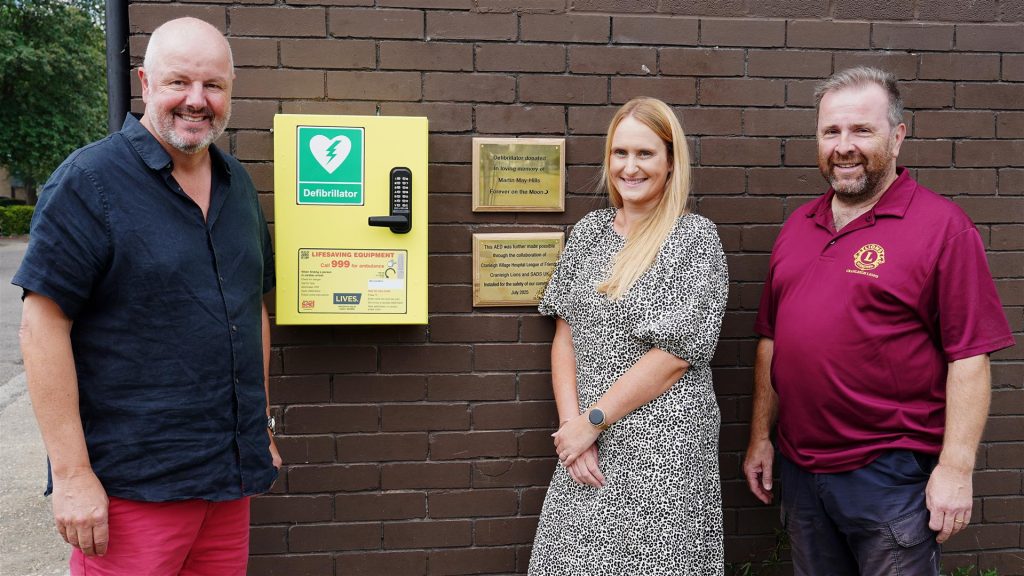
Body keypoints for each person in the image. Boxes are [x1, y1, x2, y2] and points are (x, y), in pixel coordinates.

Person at [14, 17, 280, 575]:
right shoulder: (89, 182)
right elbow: (42, 328)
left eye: (213, 85)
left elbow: (250, 307)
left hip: (227, 483)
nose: (196, 100)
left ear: (231, 90)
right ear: (145, 83)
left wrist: (261, 429)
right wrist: (71, 475)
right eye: (178, 82)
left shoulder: (238, 185)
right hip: (133, 491)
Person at [743, 66, 1014, 576]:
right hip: (801, 469)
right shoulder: (798, 227)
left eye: (861, 130)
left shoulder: (942, 230)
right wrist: (762, 436)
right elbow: (772, 341)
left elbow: (970, 357)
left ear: (897, 137)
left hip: (889, 476)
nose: (844, 146)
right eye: (831, 132)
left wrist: (956, 469)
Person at [528, 97, 729, 575]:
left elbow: (675, 357)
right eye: (621, 153)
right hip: (587, 443)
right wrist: (572, 429)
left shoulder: (694, 239)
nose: (630, 167)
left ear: (670, 161)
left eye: (645, 154)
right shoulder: (590, 232)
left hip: (664, 448)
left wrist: (592, 420)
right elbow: (565, 332)